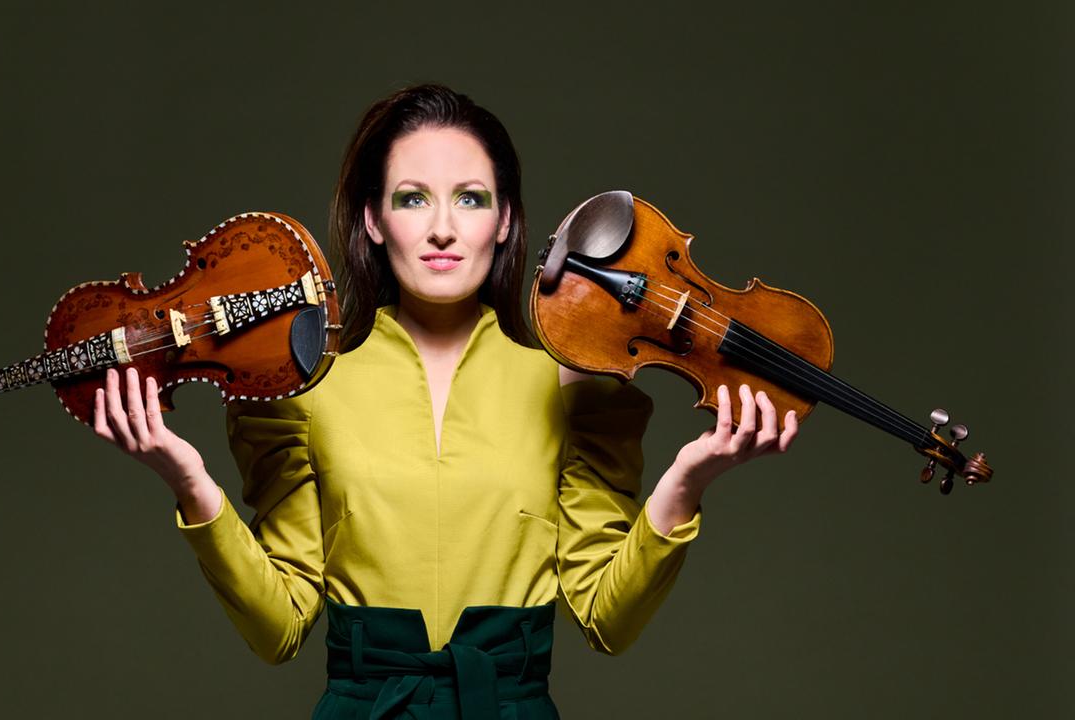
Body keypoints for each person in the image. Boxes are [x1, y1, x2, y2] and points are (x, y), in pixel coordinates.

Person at [91, 84, 798, 718]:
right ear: (372, 220)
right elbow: (279, 630)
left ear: (505, 221)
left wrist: (688, 480)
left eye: (470, 198)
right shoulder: (299, 390)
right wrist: (187, 481)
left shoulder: (575, 388)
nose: (441, 228)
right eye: (411, 198)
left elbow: (607, 620)